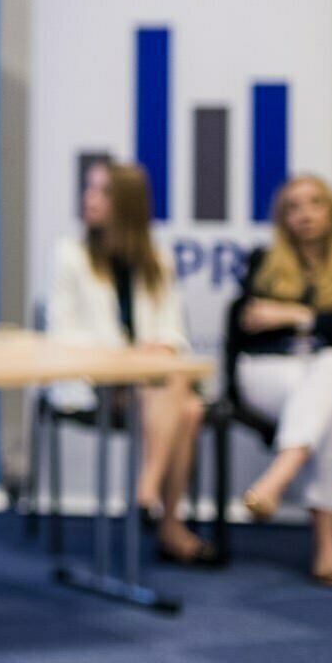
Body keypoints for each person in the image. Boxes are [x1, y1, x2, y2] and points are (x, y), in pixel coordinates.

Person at [47, 160, 213, 565]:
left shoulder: (157, 259)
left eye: (102, 191)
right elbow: (62, 332)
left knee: (188, 407)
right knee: (180, 398)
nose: (89, 199)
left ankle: (147, 494)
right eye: (88, 189)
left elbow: (174, 331)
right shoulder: (71, 255)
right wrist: (129, 354)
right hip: (97, 382)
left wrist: (159, 349)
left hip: (150, 385)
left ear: (127, 204)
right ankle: (164, 519)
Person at [227, 174, 332, 588]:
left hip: (321, 377)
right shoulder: (264, 262)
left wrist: (295, 315)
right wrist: (322, 321)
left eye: (315, 203)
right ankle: (327, 546)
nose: (305, 215)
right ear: (282, 218)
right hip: (265, 373)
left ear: (331, 210)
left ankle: (274, 481)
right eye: (293, 207)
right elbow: (243, 327)